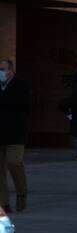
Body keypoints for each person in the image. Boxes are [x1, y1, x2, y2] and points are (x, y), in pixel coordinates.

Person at [0, 59, 30, 213]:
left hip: (16, 133)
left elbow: (26, 107)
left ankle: (21, 192)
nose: (1, 72)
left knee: (14, 162)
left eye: (3, 69)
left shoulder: (21, 86)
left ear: (11, 71)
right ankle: (3, 202)